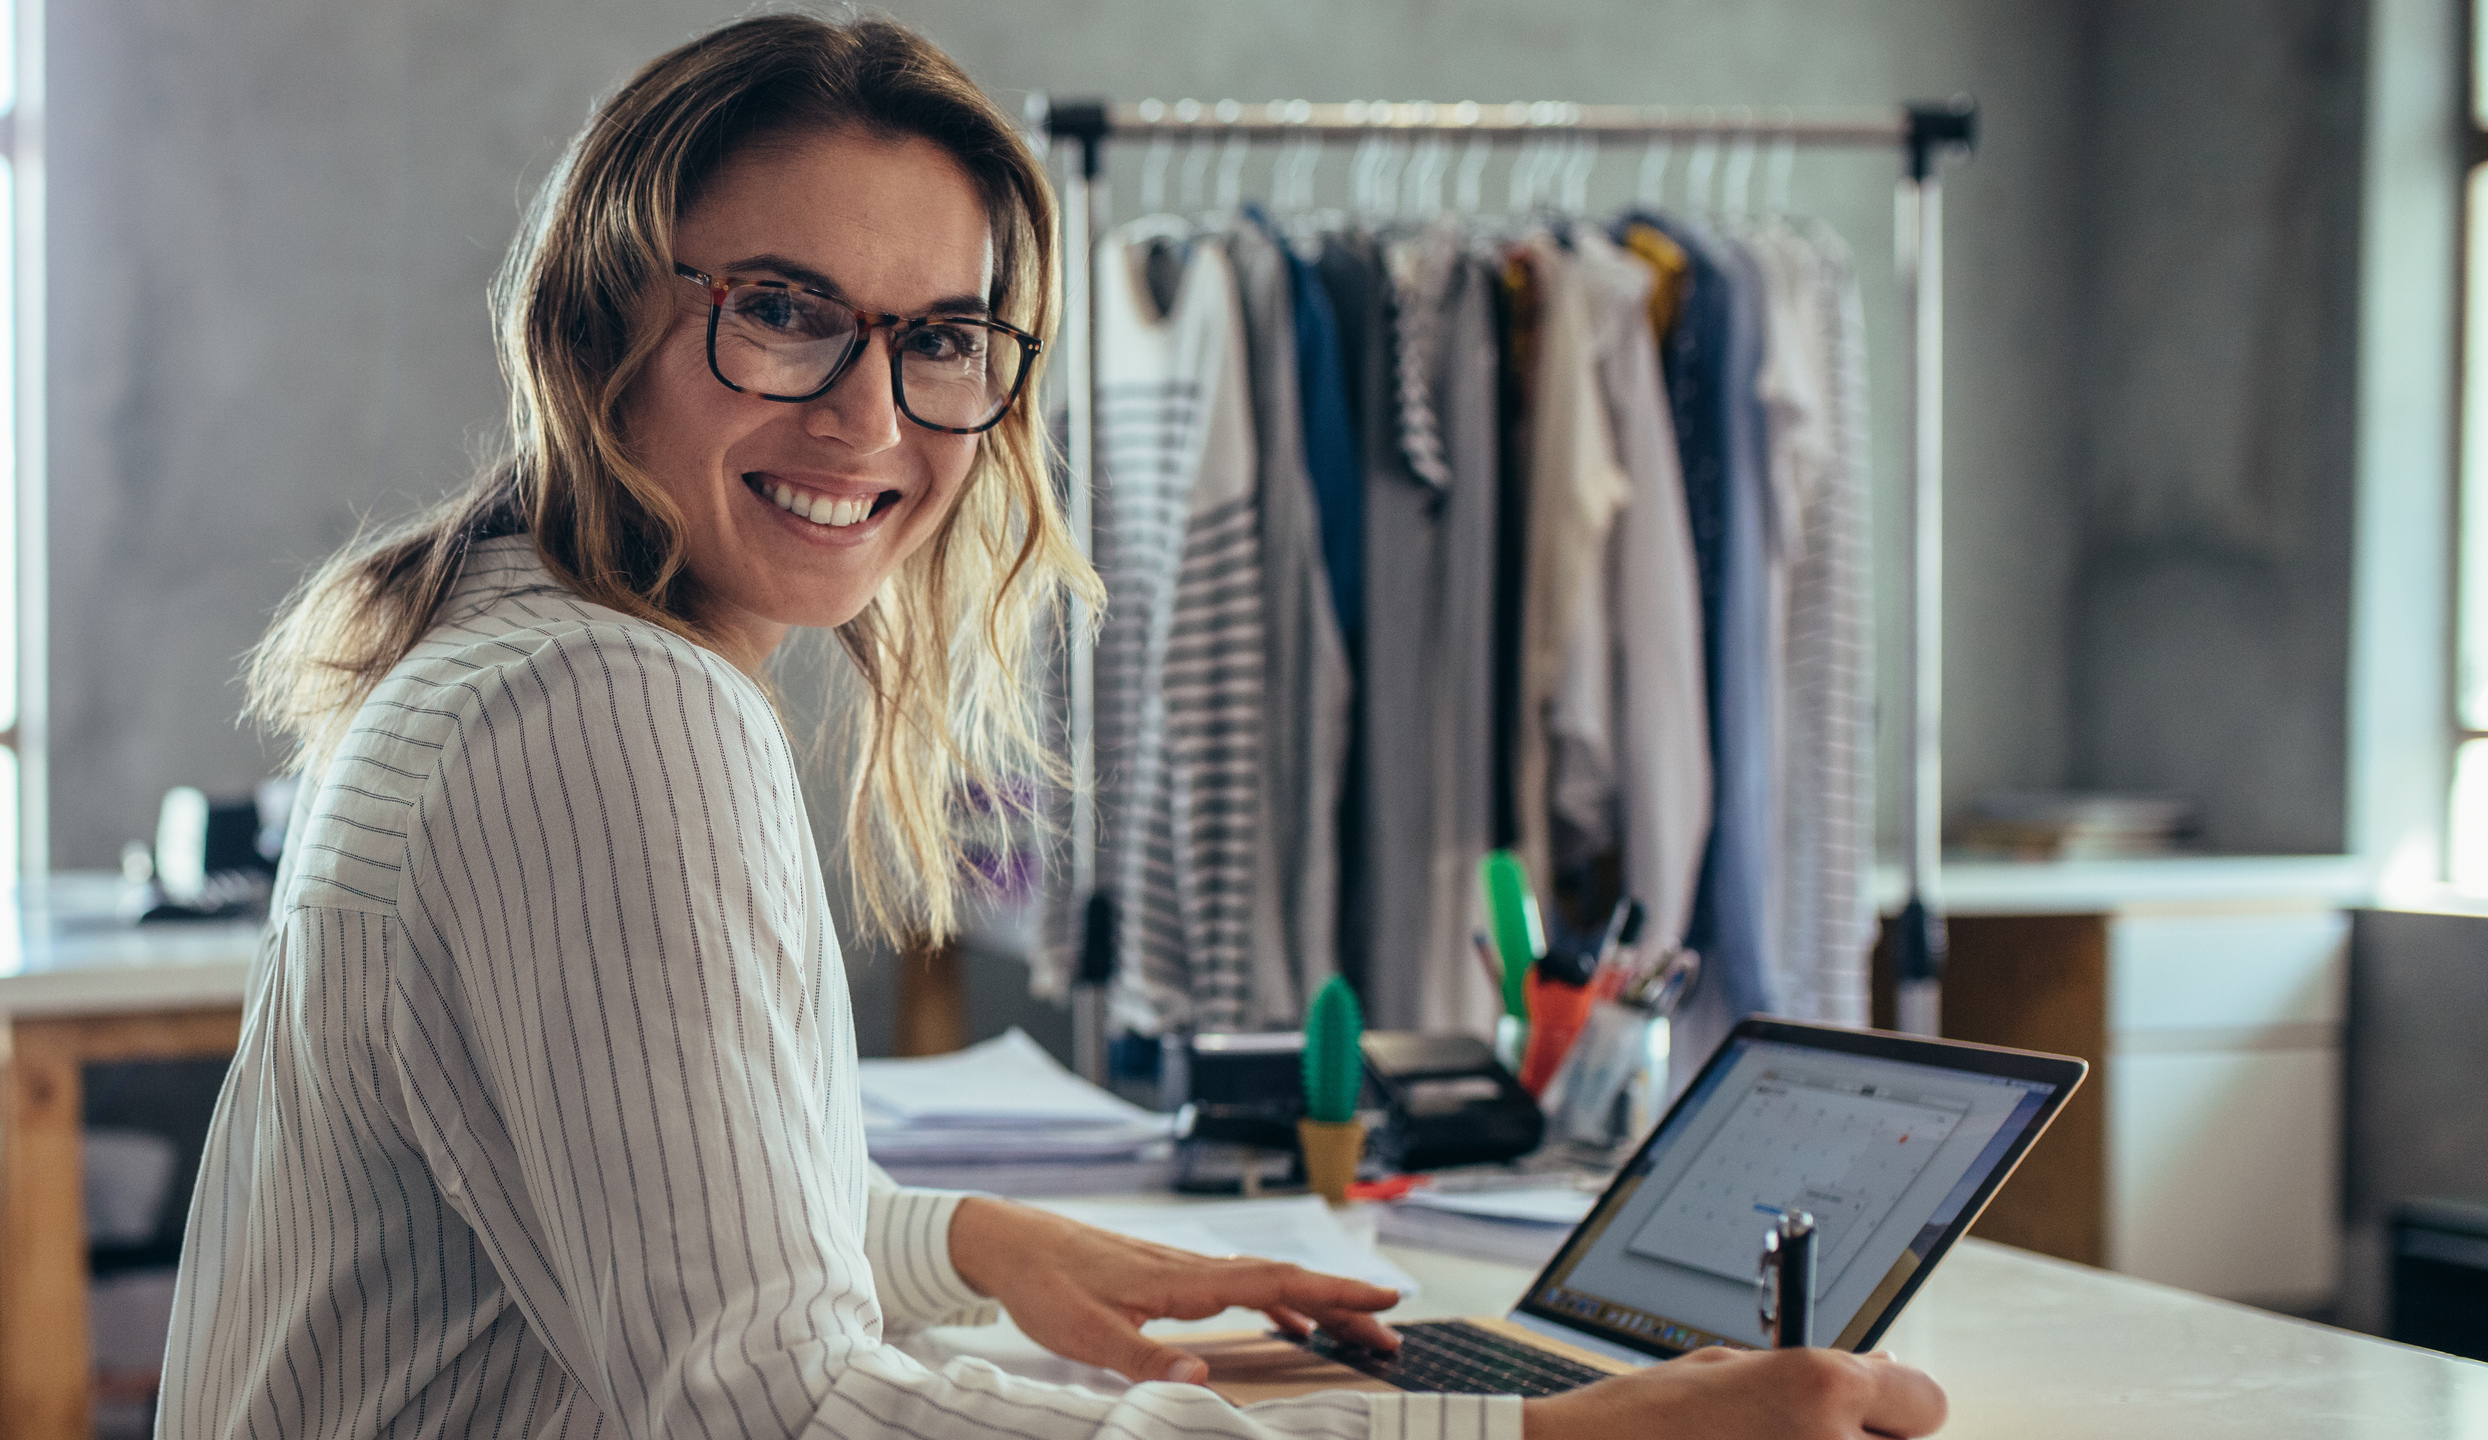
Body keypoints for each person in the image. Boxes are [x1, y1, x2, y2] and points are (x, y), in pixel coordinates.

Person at [166, 14, 1949, 1440]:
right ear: (597, 316)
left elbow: (658, 1234)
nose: (871, 413)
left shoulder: (513, 646)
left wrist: (994, 1247)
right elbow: (770, 1403)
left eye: (944, 336)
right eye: (783, 312)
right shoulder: (609, 711)